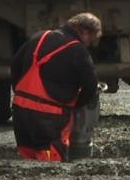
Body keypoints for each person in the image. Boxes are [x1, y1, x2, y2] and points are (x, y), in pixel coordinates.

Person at [11, 12, 102, 162]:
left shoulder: (39, 37)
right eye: (90, 40)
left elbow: (15, 65)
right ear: (84, 32)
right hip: (49, 119)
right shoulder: (78, 50)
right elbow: (90, 86)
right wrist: (75, 105)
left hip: (21, 112)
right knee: (48, 160)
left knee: (27, 158)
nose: (88, 44)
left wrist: (20, 93)